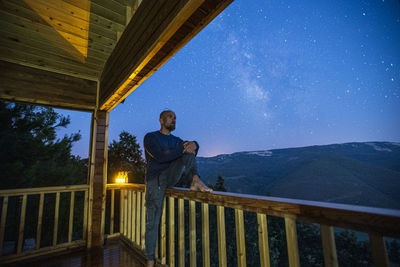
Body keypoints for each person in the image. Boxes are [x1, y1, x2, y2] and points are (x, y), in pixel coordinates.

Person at [143, 110, 212, 267]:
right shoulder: (151, 137)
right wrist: (183, 147)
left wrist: (195, 144)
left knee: (187, 151)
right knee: (152, 221)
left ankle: (195, 179)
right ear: (161, 120)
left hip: (172, 177)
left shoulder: (177, 141)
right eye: (170, 117)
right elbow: (160, 156)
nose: (173, 120)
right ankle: (150, 260)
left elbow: (190, 150)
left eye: (175, 118)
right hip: (156, 181)